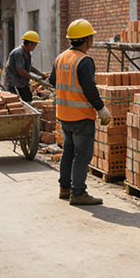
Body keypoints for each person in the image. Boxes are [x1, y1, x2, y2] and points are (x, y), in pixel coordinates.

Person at [48, 19, 111, 206]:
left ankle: (65, 188)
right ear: (86, 40)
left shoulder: (60, 58)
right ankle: (78, 193)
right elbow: (90, 88)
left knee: (68, 153)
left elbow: (53, 81)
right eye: (91, 37)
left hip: (64, 115)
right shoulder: (84, 61)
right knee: (82, 156)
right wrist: (101, 108)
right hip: (81, 117)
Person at [1, 31, 46, 102]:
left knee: (28, 98)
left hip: (21, 83)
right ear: (30, 44)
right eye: (35, 44)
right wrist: (32, 78)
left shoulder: (27, 53)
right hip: (13, 84)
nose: (35, 47)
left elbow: (28, 67)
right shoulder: (19, 53)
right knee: (15, 103)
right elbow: (20, 70)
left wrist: (40, 74)